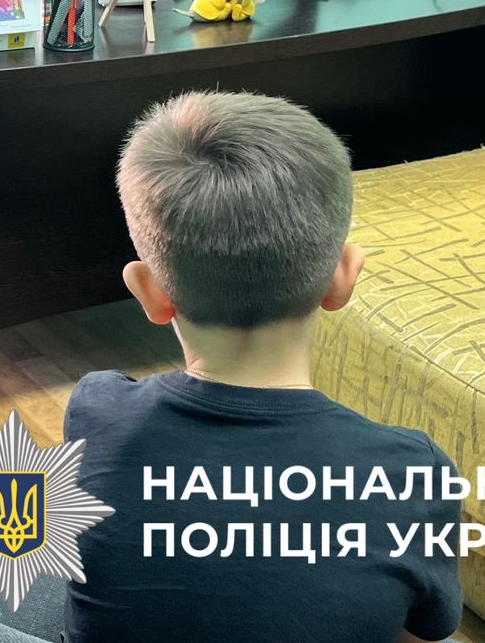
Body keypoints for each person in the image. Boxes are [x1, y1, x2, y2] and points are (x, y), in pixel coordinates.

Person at [63, 92, 462, 643]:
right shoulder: (412, 473)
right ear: (342, 279)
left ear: (150, 292)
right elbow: (428, 629)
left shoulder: (97, 410)